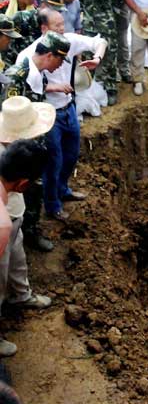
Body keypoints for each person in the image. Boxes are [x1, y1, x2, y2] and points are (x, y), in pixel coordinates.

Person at [17, 9, 107, 222]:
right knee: (53, 161)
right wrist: (55, 87)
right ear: (44, 28)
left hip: (69, 108)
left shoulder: (68, 41)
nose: (62, 28)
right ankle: (52, 205)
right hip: (49, 115)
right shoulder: (29, 57)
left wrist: (97, 58)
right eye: (57, 25)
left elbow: (100, 41)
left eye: (62, 24)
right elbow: (29, 88)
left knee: (72, 154)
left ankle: (63, 189)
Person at [0, 135, 52, 357]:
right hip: (5, 228)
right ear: (22, 183)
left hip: (13, 223)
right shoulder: (1, 223)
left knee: (17, 261)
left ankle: (21, 296)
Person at [81, 0, 124, 106]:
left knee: (110, 57)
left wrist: (110, 17)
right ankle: (87, 89)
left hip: (107, 26)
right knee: (88, 57)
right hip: (88, 26)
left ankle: (111, 89)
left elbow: (119, 5)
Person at [4, 31, 71, 102]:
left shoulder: (40, 73)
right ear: (49, 56)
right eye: (61, 60)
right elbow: (8, 110)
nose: (61, 64)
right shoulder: (16, 77)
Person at [106, 0, 131, 83]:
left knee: (122, 41)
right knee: (109, 43)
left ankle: (124, 69)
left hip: (122, 10)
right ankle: (112, 71)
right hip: (106, 13)